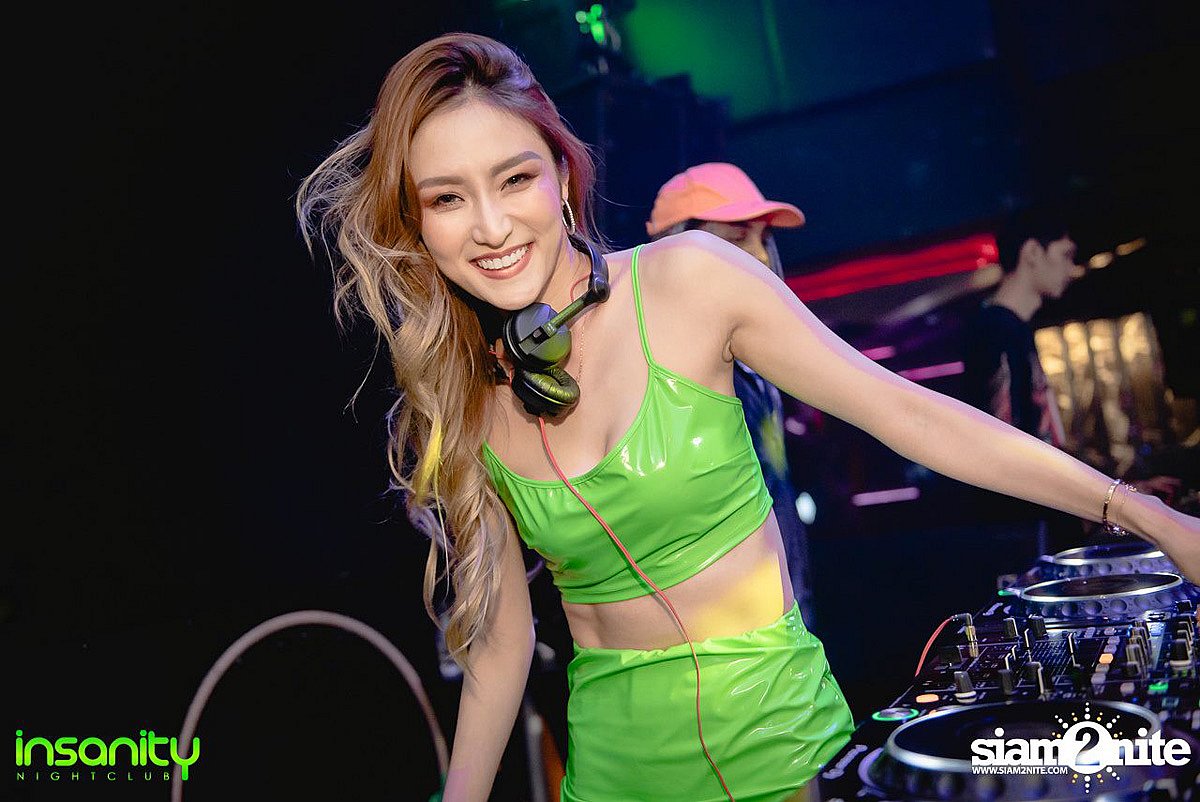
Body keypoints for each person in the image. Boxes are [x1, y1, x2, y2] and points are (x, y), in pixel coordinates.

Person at [295, 32, 1200, 802]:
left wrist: (1143, 514)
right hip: (609, 780)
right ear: (418, 224)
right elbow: (500, 648)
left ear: (562, 178)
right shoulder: (463, 395)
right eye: (448, 198)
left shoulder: (690, 281)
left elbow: (909, 414)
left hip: (782, 756)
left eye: (514, 178)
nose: (491, 226)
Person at [645, 162, 818, 628]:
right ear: (674, 251)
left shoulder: (761, 358)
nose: (760, 256)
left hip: (788, 608)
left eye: (765, 239)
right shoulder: (662, 376)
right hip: (720, 640)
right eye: (738, 239)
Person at [962, 206, 1182, 554]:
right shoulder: (996, 331)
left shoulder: (1009, 329)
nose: (1071, 268)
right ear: (1032, 253)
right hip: (1026, 533)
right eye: (1065, 255)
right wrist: (1111, 500)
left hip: (1037, 523)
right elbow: (1007, 449)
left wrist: (1116, 493)